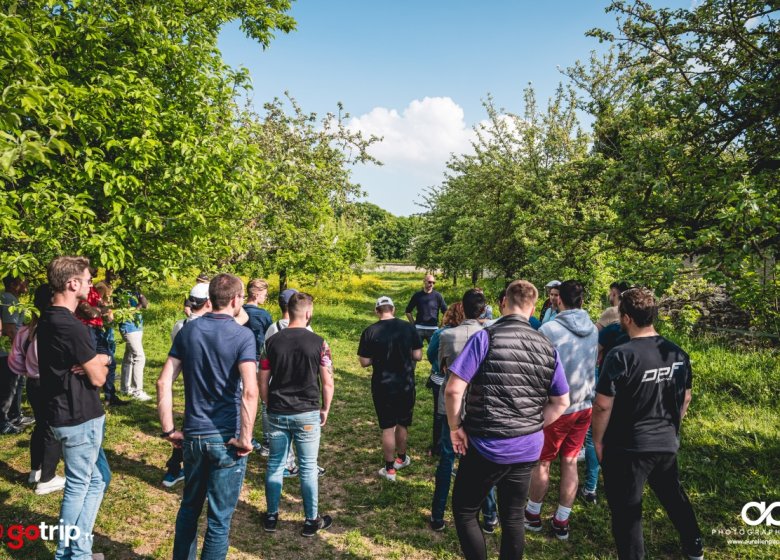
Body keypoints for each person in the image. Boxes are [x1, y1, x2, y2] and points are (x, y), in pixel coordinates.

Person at [445, 279, 570, 560]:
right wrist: (533, 425)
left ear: (503, 303)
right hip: (527, 447)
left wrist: (455, 428)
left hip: (485, 443)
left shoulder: (485, 337)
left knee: (465, 511)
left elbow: (454, 389)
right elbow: (562, 401)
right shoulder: (546, 346)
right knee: (513, 517)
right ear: (534, 306)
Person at [592, 287, 703, 560]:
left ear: (626, 318)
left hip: (627, 447)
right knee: (673, 496)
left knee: (627, 512)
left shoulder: (620, 355)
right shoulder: (676, 353)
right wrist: (670, 428)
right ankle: (695, 545)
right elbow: (685, 398)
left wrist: (597, 441)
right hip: (665, 441)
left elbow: (603, 404)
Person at [157, 273, 258, 560]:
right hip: (226, 439)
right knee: (218, 520)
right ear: (237, 299)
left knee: (189, 509)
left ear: (211, 298)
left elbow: (163, 382)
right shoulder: (243, 336)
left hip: (193, 435)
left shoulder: (188, 331)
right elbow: (250, 391)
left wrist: (169, 430)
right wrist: (246, 439)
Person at [37, 256, 111, 559]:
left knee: (97, 479)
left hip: (64, 412)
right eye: (88, 279)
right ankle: (70, 553)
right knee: (81, 484)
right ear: (73, 284)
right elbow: (98, 378)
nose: (91, 283)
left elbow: (95, 364)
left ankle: (79, 548)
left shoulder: (48, 319)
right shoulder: (72, 327)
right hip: (78, 416)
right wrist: (100, 364)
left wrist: (100, 359)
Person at [525, 280, 598, 540]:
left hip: (557, 407)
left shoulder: (550, 329)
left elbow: (536, 370)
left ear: (559, 300)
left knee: (543, 461)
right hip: (584, 407)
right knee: (569, 462)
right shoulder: (593, 329)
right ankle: (561, 520)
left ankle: (533, 515)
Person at [260, 292, 335, 537]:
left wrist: (268, 402)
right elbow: (327, 381)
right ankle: (310, 520)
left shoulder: (271, 342)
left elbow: (263, 379)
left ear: (289, 312)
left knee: (275, 463)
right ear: (308, 313)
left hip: (278, 411)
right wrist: (325, 407)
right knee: (308, 467)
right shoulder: (320, 342)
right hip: (307, 412)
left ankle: (271, 516)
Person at [430, 289, 497, 533]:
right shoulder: (491, 335)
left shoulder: (447, 335)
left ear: (462, 309)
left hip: (451, 404)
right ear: (483, 310)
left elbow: (440, 365)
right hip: (481, 404)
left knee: (446, 460)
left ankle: (438, 514)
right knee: (484, 462)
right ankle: (489, 515)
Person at [8, 283, 65, 495]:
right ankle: (48, 478)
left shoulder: (27, 330)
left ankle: (35, 471)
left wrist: (29, 370)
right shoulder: (52, 330)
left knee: (40, 426)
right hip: (49, 383)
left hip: (33, 384)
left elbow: (15, 362)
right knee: (52, 428)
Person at [358, 296, 423, 481]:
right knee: (403, 423)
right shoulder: (409, 328)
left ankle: (390, 469)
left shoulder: (370, 331)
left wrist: (376, 357)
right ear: (393, 309)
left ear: (377, 311)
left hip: (382, 384)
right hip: (405, 382)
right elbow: (418, 355)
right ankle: (401, 459)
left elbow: (364, 361)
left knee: (388, 426)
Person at [161, 282, 212, 488]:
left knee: (188, 425)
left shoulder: (180, 326)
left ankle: (175, 468)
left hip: (190, 382)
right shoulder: (214, 326)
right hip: (212, 384)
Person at [426, 302, 464, 457]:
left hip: (440, 378)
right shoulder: (471, 332)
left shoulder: (441, 333)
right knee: (460, 411)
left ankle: (438, 446)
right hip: (462, 379)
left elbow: (430, 354)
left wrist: (438, 365)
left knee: (440, 414)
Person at [0, 274, 34, 434]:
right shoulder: (8, 299)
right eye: (23, 281)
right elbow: (9, 329)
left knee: (17, 383)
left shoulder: (11, 298)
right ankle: (2, 421)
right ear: (14, 284)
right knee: (8, 386)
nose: (26, 282)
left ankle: (15, 415)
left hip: (12, 351)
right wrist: (20, 349)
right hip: (8, 351)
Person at [119, 286, 150, 401]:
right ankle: (138, 390)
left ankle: (125, 388)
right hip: (129, 328)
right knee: (139, 356)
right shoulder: (121, 292)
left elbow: (146, 305)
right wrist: (139, 305)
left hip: (137, 327)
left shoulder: (135, 291)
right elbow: (126, 313)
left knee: (129, 356)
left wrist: (141, 296)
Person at [405, 274, 448, 344]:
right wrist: (413, 324)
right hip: (419, 328)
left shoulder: (438, 296)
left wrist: (441, 324)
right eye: (429, 282)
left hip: (433, 329)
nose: (431, 284)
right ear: (424, 281)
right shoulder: (417, 295)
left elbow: (446, 311)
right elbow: (408, 311)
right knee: (415, 352)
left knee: (434, 353)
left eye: (433, 283)